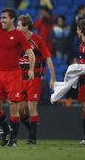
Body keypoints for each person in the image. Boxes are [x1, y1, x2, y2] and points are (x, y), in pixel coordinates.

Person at [0, 0, 35, 147]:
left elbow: (30, 52)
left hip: (14, 75)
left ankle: (13, 140)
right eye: (1, 17)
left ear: (12, 19)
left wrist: (31, 69)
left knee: (14, 108)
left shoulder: (19, 35)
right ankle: (6, 129)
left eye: (4, 18)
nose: (2, 20)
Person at [16, 14, 56, 144]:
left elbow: (48, 58)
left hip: (34, 78)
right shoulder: (17, 40)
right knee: (20, 111)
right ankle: (32, 130)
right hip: (20, 79)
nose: (16, 27)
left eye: (18, 25)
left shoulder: (37, 41)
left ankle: (32, 139)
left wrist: (52, 78)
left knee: (32, 107)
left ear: (26, 26)